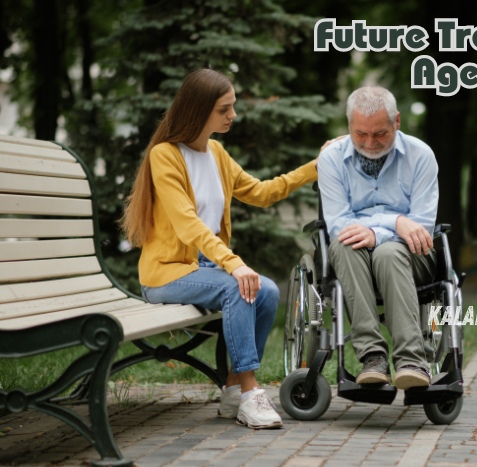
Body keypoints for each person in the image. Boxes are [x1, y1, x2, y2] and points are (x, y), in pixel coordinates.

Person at [121, 68, 318, 429]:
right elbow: (187, 224)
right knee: (238, 287)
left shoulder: (216, 152)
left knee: (268, 291)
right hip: (166, 273)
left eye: (233, 107)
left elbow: (261, 192)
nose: (233, 116)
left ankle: (231, 388)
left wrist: (314, 168)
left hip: (203, 269)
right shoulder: (165, 155)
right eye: (224, 109)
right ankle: (249, 393)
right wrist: (233, 264)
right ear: (199, 111)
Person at [317, 86, 439, 390]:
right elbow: (338, 224)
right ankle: (372, 357)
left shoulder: (421, 156)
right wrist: (396, 222)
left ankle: (411, 361)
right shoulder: (331, 159)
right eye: (361, 134)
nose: (370, 143)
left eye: (380, 133)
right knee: (343, 244)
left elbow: (421, 225)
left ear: (397, 121)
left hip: (412, 256)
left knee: (388, 253)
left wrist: (380, 231)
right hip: (353, 256)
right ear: (349, 127)